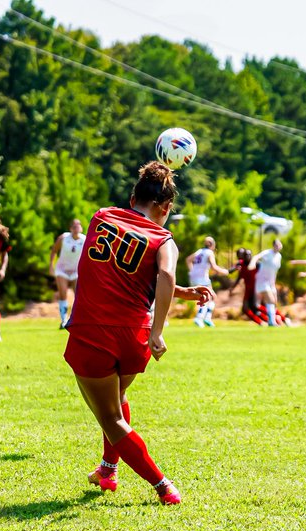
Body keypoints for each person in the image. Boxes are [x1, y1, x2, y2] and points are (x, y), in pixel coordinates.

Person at [66, 161, 213, 505]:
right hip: (134, 337)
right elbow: (158, 275)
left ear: (134, 196)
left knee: (111, 417)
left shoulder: (101, 217)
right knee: (117, 398)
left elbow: (120, 267)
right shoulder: (164, 240)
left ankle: (164, 486)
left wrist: (169, 298)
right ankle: (107, 470)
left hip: (93, 333)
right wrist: (161, 326)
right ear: (166, 208)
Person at [48, 219, 85, 329]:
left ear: (81, 228)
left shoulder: (85, 240)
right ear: (70, 228)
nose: (76, 228)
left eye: (78, 226)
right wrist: (51, 265)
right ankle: (64, 320)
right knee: (63, 294)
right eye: (74, 226)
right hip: (62, 270)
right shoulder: (63, 238)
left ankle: (77, 319)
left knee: (78, 295)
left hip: (76, 271)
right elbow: (54, 250)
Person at [186, 236, 229, 327]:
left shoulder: (199, 252)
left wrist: (192, 271)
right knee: (208, 297)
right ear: (213, 245)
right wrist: (225, 271)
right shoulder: (209, 252)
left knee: (212, 297)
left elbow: (188, 260)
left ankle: (207, 318)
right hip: (202, 278)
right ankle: (200, 317)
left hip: (193, 278)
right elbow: (214, 266)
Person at [249, 239, 284, 326]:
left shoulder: (279, 256)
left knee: (274, 302)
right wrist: (252, 264)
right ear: (273, 245)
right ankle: (272, 322)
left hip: (271, 283)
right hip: (262, 281)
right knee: (270, 300)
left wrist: (273, 284)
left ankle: (273, 320)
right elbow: (256, 257)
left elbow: (274, 271)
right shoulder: (267, 253)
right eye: (277, 245)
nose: (279, 246)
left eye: (280, 244)